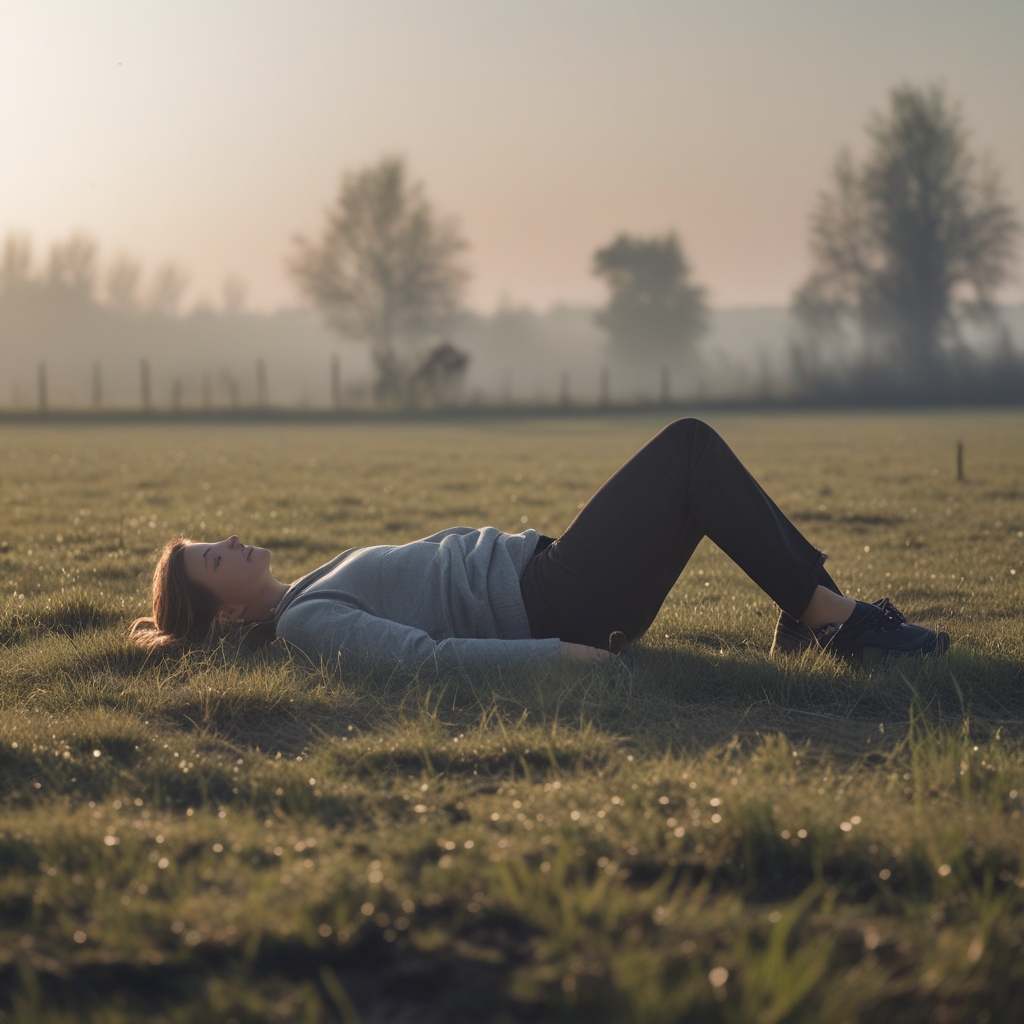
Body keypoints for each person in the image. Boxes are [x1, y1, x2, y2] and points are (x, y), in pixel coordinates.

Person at [130, 418, 949, 671]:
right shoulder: (309, 625)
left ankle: (819, 613)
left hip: (553, 579)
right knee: (688, 451)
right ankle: (833, 620)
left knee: (692, 468)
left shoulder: (306, 591)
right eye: (214, 557)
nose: (231, 542)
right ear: (229, 613)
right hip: (555, 602)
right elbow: (426, 661)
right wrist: (560, 656)